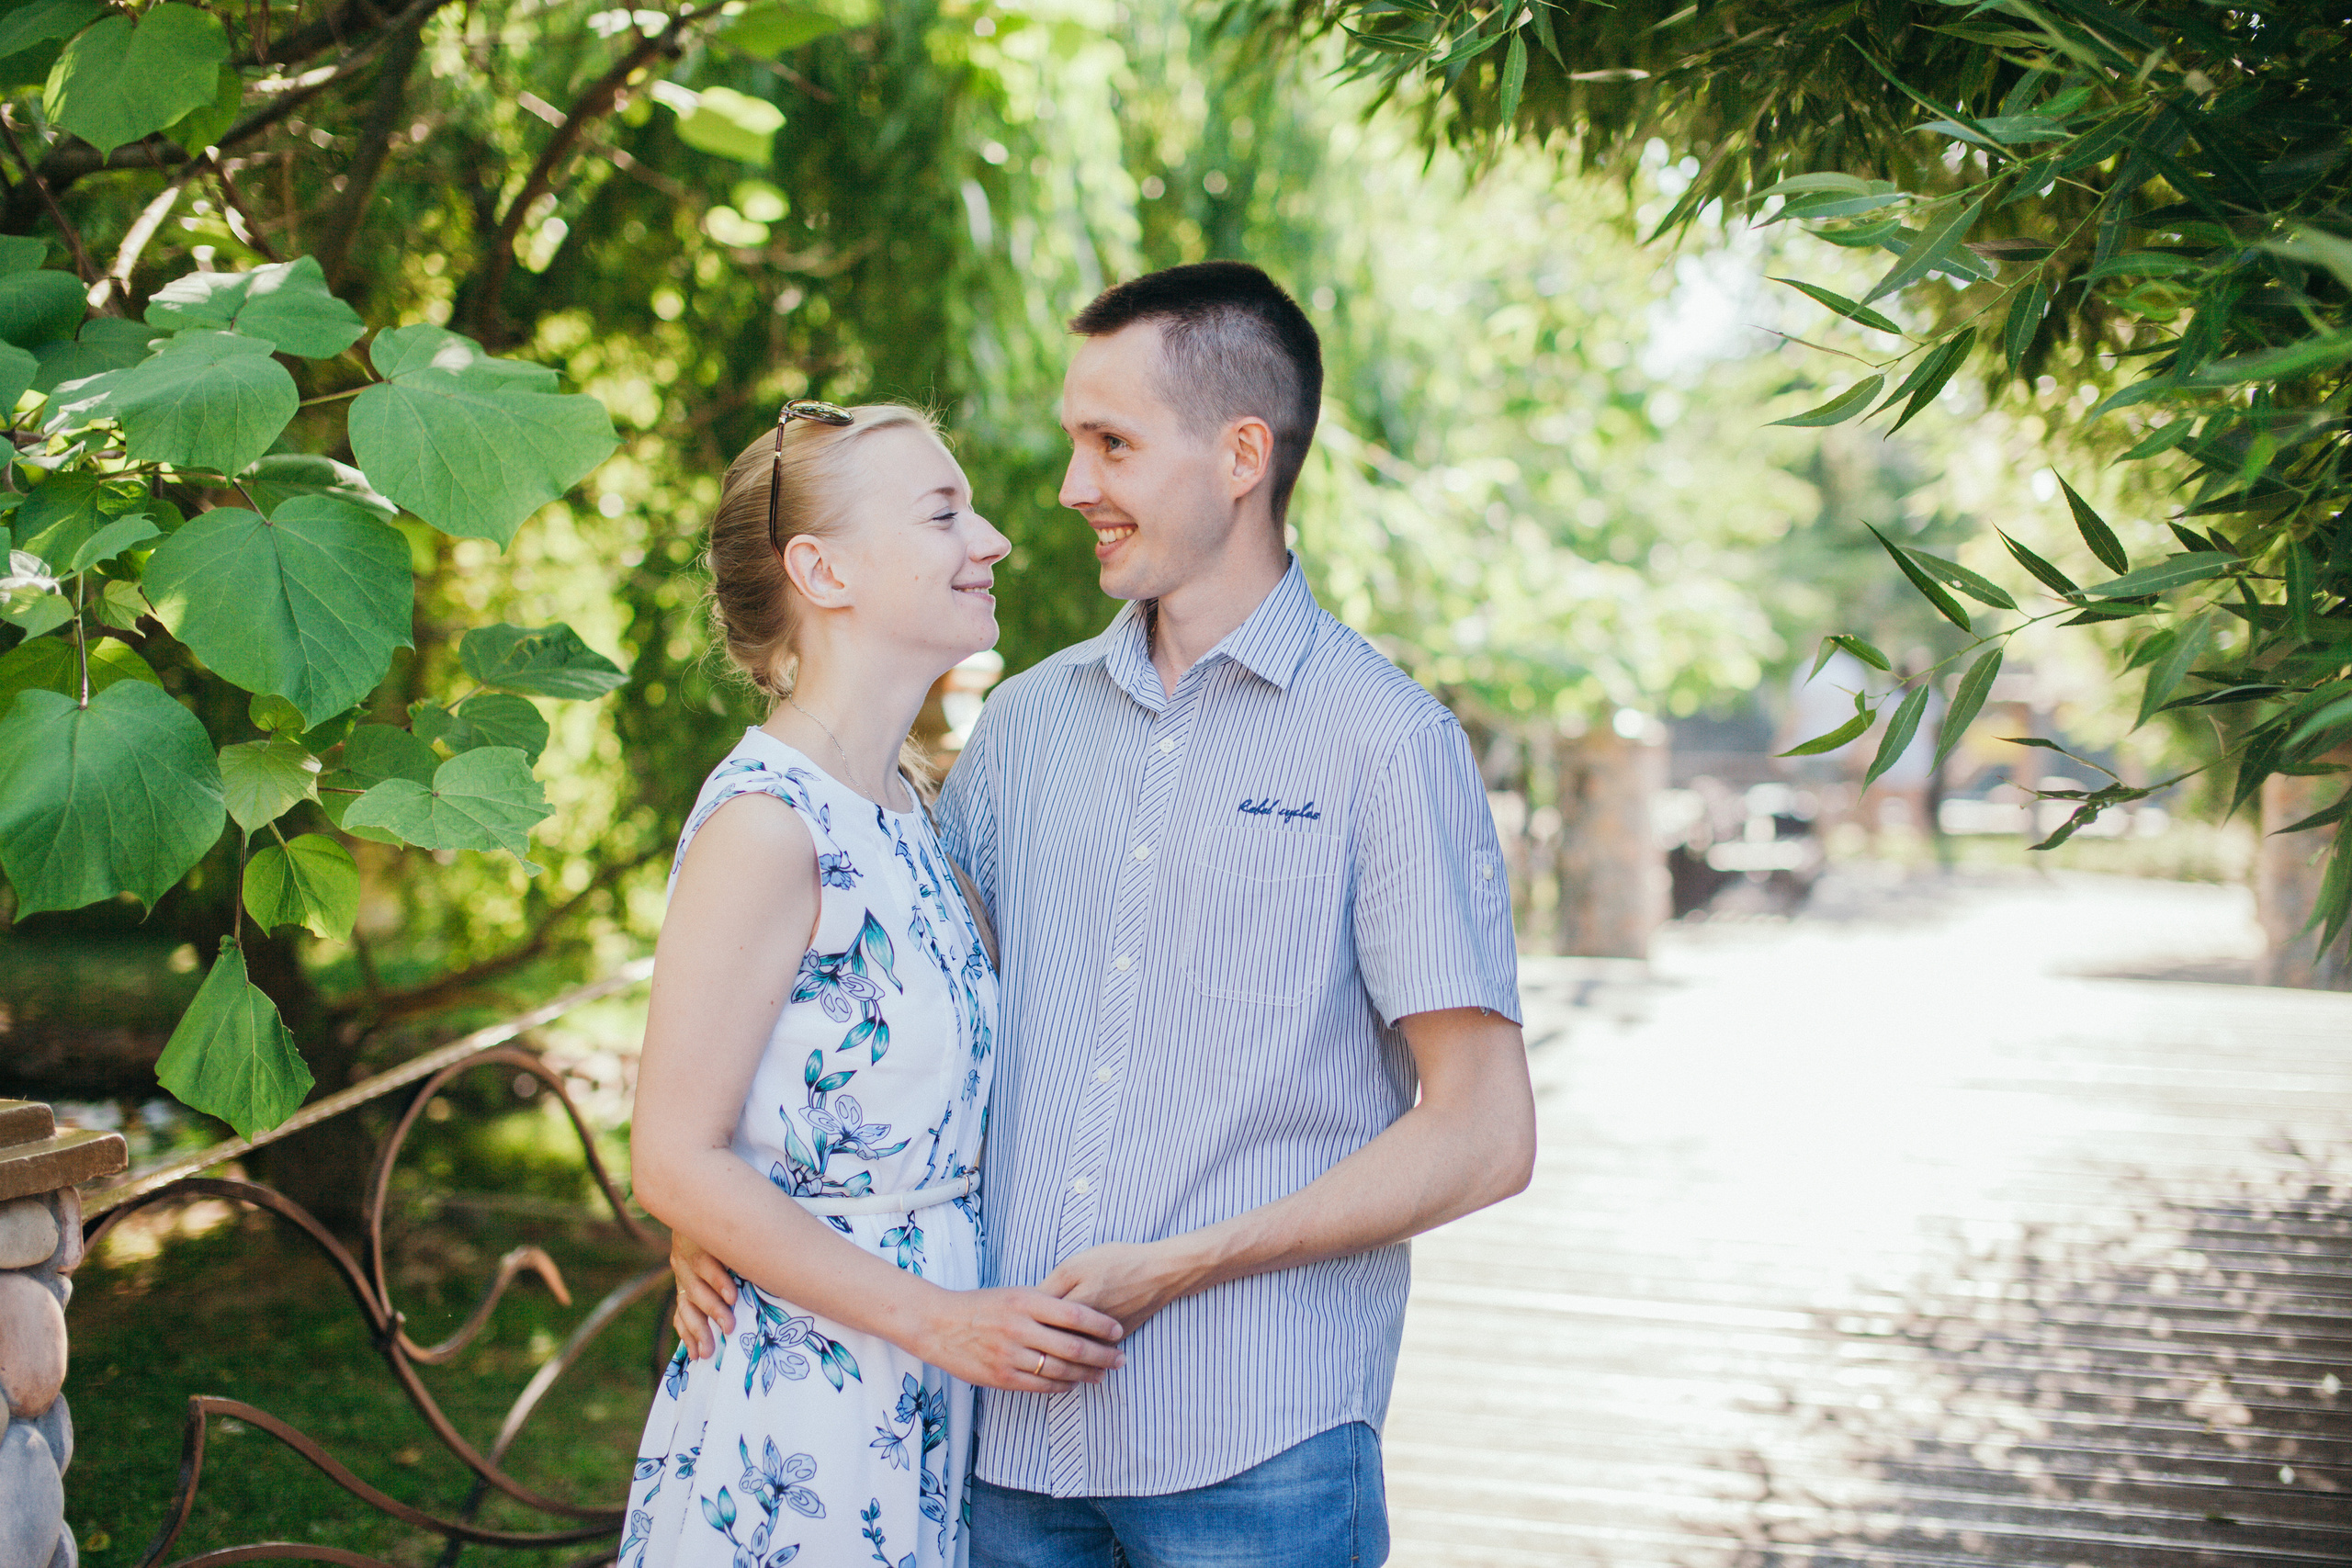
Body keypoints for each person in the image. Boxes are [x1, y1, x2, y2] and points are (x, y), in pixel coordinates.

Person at [671, 263, 1538, 1567]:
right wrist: (717, 1185)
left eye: (1112, 443)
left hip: (1257, 1437)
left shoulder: (1385, 744)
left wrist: (1179, 1263)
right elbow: (899, 1002)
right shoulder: (1022, 726)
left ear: (1241, 455)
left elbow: (1483, 1132)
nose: (1070, 488)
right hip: (998, 1446)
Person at [621, 400, 1129, 1568]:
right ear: (822, 570)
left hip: (928, 1394)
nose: (993, 539)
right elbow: (673, 1156)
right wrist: (943, 1321)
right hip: (816, 1405)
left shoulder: (904, 808)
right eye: (944, 513)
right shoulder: (767, 823)